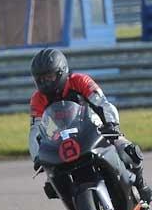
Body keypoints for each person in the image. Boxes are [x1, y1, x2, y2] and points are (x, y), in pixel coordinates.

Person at [28, 48, 152, 201]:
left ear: (62, 71)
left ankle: (141, 186)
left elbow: (103, 104)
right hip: (65, 139)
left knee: (128, 150)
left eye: (49, 77)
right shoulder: (38, 98)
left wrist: (112, 125)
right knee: (51, 182)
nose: (45, 83)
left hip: (95, 128)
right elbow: (35, 130)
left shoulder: (80, 81)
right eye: (41, 79)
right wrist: (37, 156)